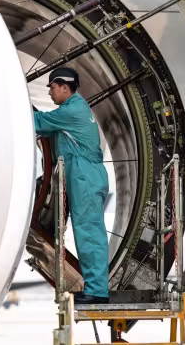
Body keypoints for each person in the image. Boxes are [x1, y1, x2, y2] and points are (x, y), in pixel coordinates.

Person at [33, 67, 109, 304]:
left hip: (84, 176)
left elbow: (38, 121)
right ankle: (96, 288)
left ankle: (97, 291)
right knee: (88, 232)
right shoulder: (73, 108)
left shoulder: (72, 110)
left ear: (65, 87)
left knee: (89, 233)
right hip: (84, 175)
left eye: (52, 88)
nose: (50, 93)